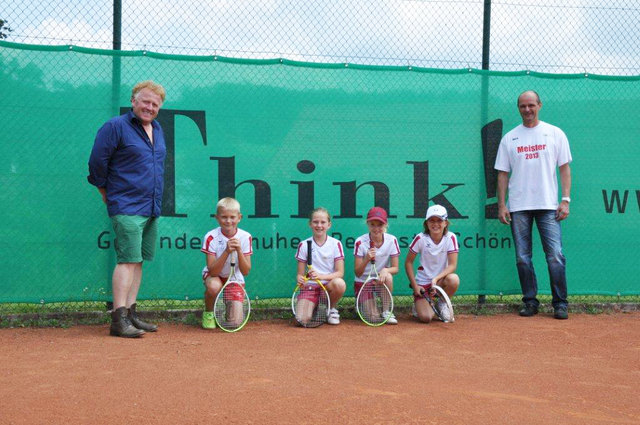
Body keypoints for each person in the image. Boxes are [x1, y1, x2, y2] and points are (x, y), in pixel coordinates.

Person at [87, 80, 167, 338]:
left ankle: (131, 314)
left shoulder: (157, 129)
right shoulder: (115, 127)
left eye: (155, 104)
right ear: (133, 101)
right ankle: (118, 319)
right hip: (126, 204)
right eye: (145, 101)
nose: (150, 107)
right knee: (127, 260)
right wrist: (104, 191)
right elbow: (97, 161)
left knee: (139, 260)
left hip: (150, 205)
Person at [495, 90, 572, 320]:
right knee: (522, 257)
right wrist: (502, 205)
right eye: (522, 106)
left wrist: (565, 200)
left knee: (555, 256)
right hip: (518, 207)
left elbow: (565, 169)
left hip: (549, 206)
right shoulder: (510, 138)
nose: (527, 110)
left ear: (539, 105)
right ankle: (530, 301)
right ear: (518, 108)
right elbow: (502, 174)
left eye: (531, 105)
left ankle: (560, 304)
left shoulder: (555, 133)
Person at [200, 198, 253, 329]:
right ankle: (209, 313)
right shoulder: (211, 237)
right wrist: (227, 251)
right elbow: (213, 271)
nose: (228, 221)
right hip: (215, 276)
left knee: (234, 323)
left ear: (239, 217)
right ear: (217, 218)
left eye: (232, 217)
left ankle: (228, 311)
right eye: (224, 217)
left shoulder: (246, 237)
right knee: (214, 287)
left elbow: (246, 271)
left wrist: (239, 250)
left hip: (235, 278)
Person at [405, 205, 460, 323]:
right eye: (432, 220)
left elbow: (452, 265)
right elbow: (408, 262)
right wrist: (415, 286)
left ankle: (442, 304)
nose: (435, 224)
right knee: (426, 318)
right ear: (426, 223)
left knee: (453, 279)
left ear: (445, 223)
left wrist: (436, 279)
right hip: (423, 285)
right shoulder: (420, 238)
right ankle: (419, 304)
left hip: (439, 282)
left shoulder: (451, 238)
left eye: (439, 220)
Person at [295, 207, 346, 325]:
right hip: (310, 288)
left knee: (339, 283)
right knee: (301, 320)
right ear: (310, 224)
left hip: (327, 287)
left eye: (323, 222)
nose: (319, 225)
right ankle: (316, 307)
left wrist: (320, 276)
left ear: (329, 225)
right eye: (315, 222)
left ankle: (331, 309)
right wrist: (300, 279)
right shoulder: (303, 245)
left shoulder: (336, 244)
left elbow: (340, 273)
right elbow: (299, 274)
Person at [353, 207, 400, 324]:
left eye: (380, 225)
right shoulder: (360, 242)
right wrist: (366, 259)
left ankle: (386, 311)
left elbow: (396, 268)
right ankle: (360, 303)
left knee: (388, 276)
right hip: (363, 281)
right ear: (367, 224)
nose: (376, 228)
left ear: (386, 225)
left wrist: (385, 270)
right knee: (373, 318)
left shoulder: (392, 240)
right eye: (372, 224)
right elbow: (358, 272)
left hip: (380, 280)